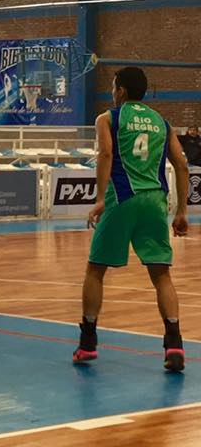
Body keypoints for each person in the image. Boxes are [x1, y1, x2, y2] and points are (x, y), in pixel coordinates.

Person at [74, 67, 190, 372]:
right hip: (155, 201)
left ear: (121, 90)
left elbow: (106, 155)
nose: (113, 92)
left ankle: (88, 342)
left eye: (114, 87)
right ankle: (175, 343)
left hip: (123, 197)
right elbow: (181, 164)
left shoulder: (108, 118)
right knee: (161, 275)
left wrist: (100, 198)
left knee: (95, 270)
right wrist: (181, 211)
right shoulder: (162, 123)